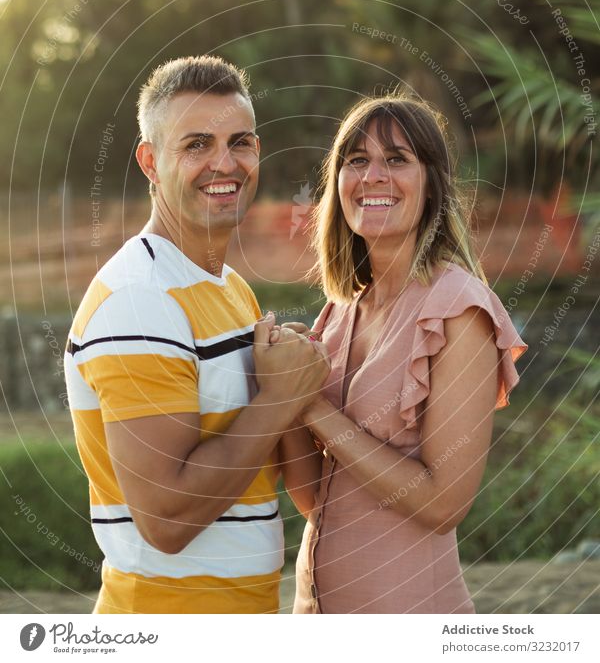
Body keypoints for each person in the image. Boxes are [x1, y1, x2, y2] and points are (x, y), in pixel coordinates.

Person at [64, 55, 329, 614]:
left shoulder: (231, 290)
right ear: (150, 162)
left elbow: (275, 471)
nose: (224, 163)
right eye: (196, 145)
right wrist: (282, 394)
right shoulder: (139, 299)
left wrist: (297, 379)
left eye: (241, 142)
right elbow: (166, 519)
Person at [292, 91, 528, 614]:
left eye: (396, 159)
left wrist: (311, 407)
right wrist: (282, 385)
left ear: (432, 184)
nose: (373, 176)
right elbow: (315, 499)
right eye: (357, 161)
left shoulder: (458, 310)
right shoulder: (338, 313)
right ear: (338, 183)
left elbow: (445, 504)